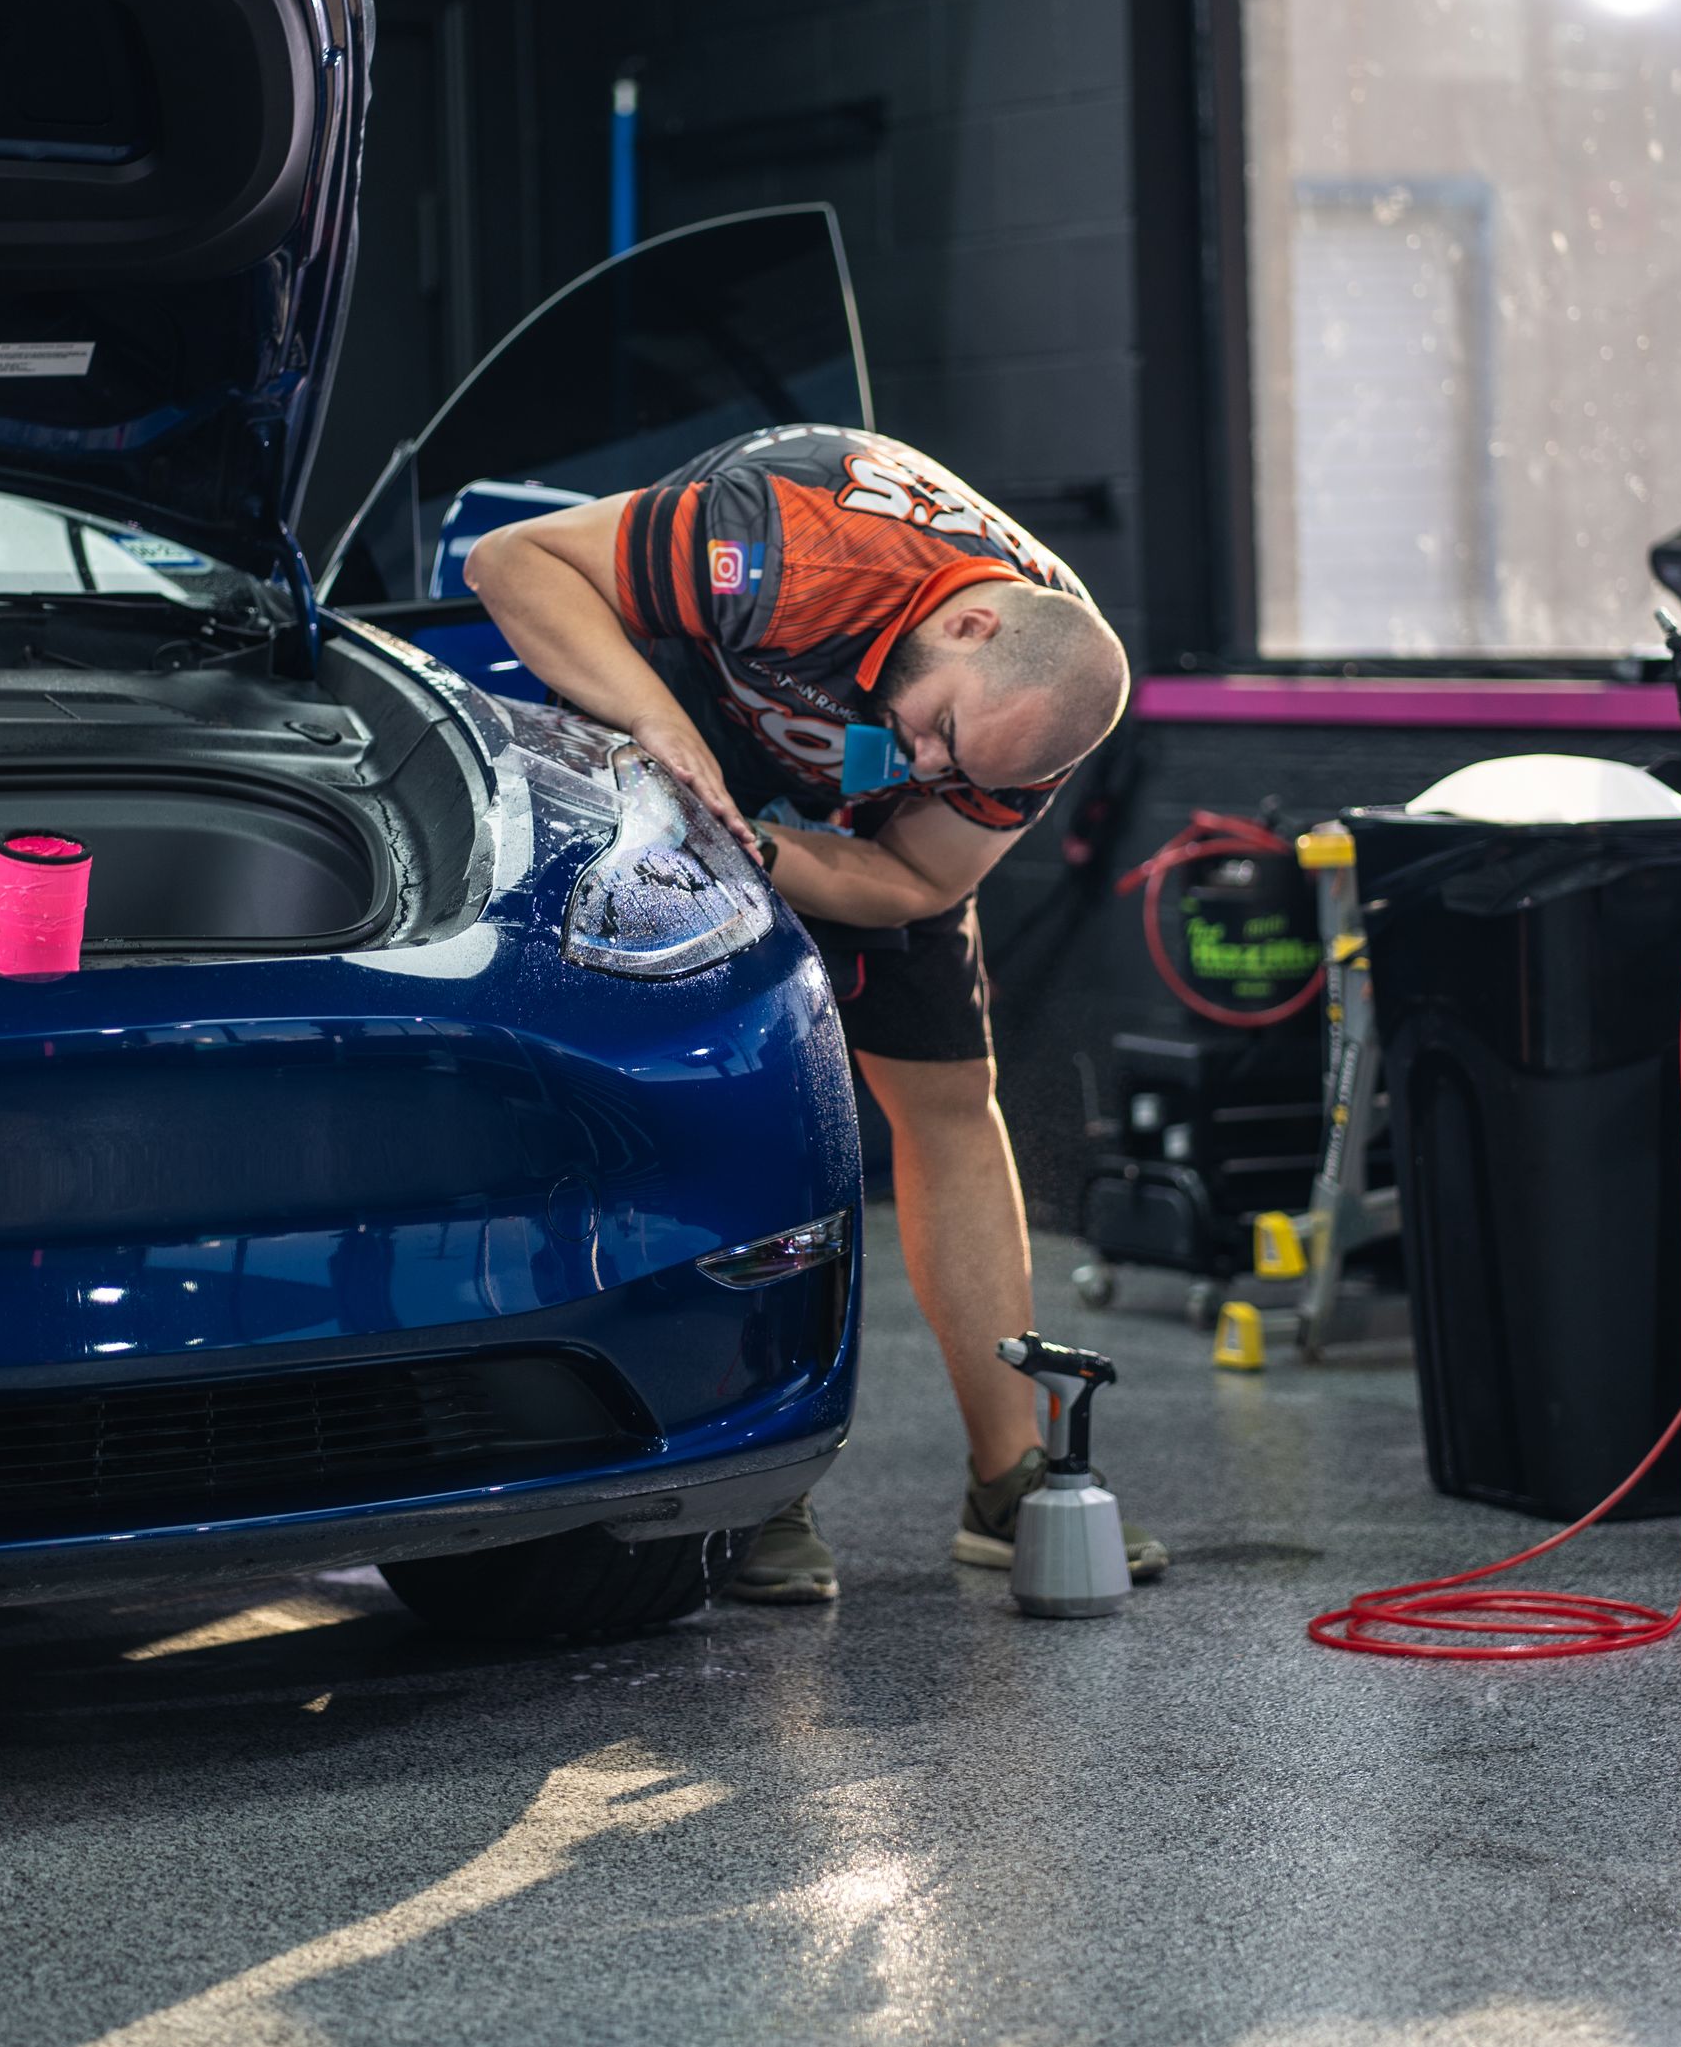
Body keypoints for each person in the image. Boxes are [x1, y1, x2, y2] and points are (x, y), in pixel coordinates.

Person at [466, 423, 1165, 1601]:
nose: (933, 760)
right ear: (969, 623)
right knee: (746, 1088)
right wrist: (664, 733)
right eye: (938, 729)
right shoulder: (789, 532)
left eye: (961, 767)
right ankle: (755, 1486)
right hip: (659, 742)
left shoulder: (1032, 702)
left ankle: (1009, 1478)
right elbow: (511, 561)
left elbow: (918, 879)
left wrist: (773, 852)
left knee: (947, 1095)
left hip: (813, 823)